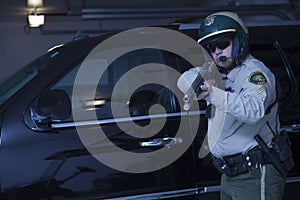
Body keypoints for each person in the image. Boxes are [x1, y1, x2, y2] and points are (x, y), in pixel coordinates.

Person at [180, 11, 289, 199]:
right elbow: (183, 79)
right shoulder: (218, 73)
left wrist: (213, 93)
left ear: (239, 41)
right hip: (230, 174)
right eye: (211, 48)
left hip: (255, 174)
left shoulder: (255, 74)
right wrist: (197, 82)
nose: (217, 52)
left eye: (222, 44)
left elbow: (253, 110)